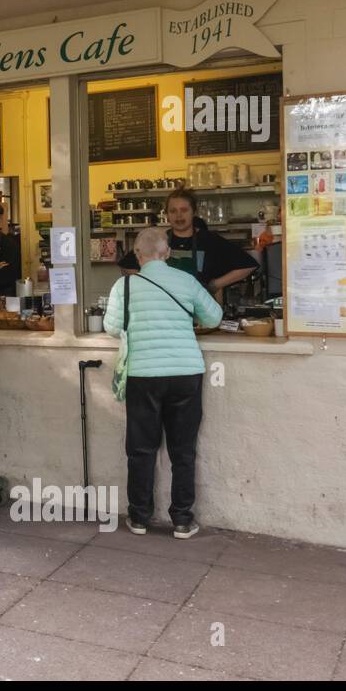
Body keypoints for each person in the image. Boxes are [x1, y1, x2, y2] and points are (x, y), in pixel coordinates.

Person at [103, 228, 223, 539]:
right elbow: (214, 318)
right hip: (185, 373)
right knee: (183, 450)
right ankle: (182, 519)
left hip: (143, 375)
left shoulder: (124, 285)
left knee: (141, 449)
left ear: (138, 256)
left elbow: (112, 327)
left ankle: (140, 517)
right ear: (167, 253)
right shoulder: (185, 281)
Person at [162, 188, 257, 299]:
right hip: (167, 310)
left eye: (184, 210)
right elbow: (139, 272)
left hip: (200, 311)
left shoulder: (209, 240)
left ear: (194, 212)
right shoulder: (159, 241)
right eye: (173, 211)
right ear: (167, 214)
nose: (179, 215)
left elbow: (249, 265)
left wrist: (215, 285)